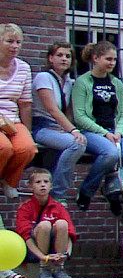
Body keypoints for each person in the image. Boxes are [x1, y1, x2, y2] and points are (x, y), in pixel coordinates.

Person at [69, 40, 123, 215]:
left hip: (113, 131)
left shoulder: (116, 83)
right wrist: (104, 133)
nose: (112, 63)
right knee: (110, 153)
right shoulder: (82, 82)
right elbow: (79, 116)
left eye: (114, 60)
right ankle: (86, 191)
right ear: (95, 58)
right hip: (91, 131)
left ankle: (113, 189)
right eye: (108, 59)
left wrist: (119, 131)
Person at [30, 42, 86, 199]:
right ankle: (57, 193)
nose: (64, 59)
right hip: (42, 127)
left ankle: (54, 190)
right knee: (77, 144)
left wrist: (69, 127)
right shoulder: (43, 77)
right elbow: (52, 109)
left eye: (68, 56)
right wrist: (72, 130)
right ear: (50, 58)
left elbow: (67, 111)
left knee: (78, 143)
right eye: (59, 55)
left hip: (58, 128)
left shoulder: (68, 82)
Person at [16, 168, 75, 278]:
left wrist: (66, 254)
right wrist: (43, 258)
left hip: (56, 250)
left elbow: (70, 234)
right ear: (30, 187)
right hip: (33, 251)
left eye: (46, 182)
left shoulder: (58, 207)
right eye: (38, 182)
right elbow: (25, 237)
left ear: (51, 186)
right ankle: (45, 269)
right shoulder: (24, 208)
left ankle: (59, 268)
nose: (42, 185)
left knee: (62, 223)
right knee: (45, 225)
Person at [0, 23, 37, 198]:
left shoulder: (23, 68)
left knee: (27, 148)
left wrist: (27, 130)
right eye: (9, 41)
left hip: (12, 118)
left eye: (18, 42)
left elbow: (25, 103)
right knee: (4, 148)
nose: (15, 46)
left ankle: (9, 181)